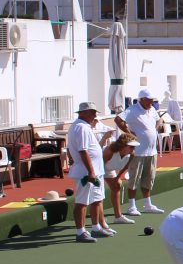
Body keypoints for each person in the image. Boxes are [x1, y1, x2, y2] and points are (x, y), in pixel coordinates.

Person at [67, 102, 110, 243]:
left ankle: (96, 227)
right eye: (92, 112)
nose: (94, 115)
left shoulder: (84, 127)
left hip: (96, 170)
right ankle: (80, 232)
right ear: (83, 113)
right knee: (82, 201)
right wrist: (91, 171)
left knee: (97, 199)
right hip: (87, 172)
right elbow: (83, 150)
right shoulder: (80, 128)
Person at [115, 88, 163, 215]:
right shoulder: (132, 110)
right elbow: (118, 120)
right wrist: (129, 134)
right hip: (138, 151)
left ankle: (148, 204)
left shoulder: (152, 109)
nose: (151, 103)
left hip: (152, 151)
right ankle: (131, 206)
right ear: (141, 100)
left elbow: (159, 119)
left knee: (149, 178)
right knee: (134, 178)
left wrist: (156, 127)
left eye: (152, 100)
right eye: (148, 100)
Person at [104, 133, 140, 225]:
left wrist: (117, 177)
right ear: (123, 145)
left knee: (117, 186)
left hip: (109, 169)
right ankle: (98, 220)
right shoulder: (109, 151)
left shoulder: (132, 154)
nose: (133, 149)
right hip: (97, 169)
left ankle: (118, 217)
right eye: (131, 147)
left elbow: (125, 167)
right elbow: (99, 165)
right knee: (96, 194)